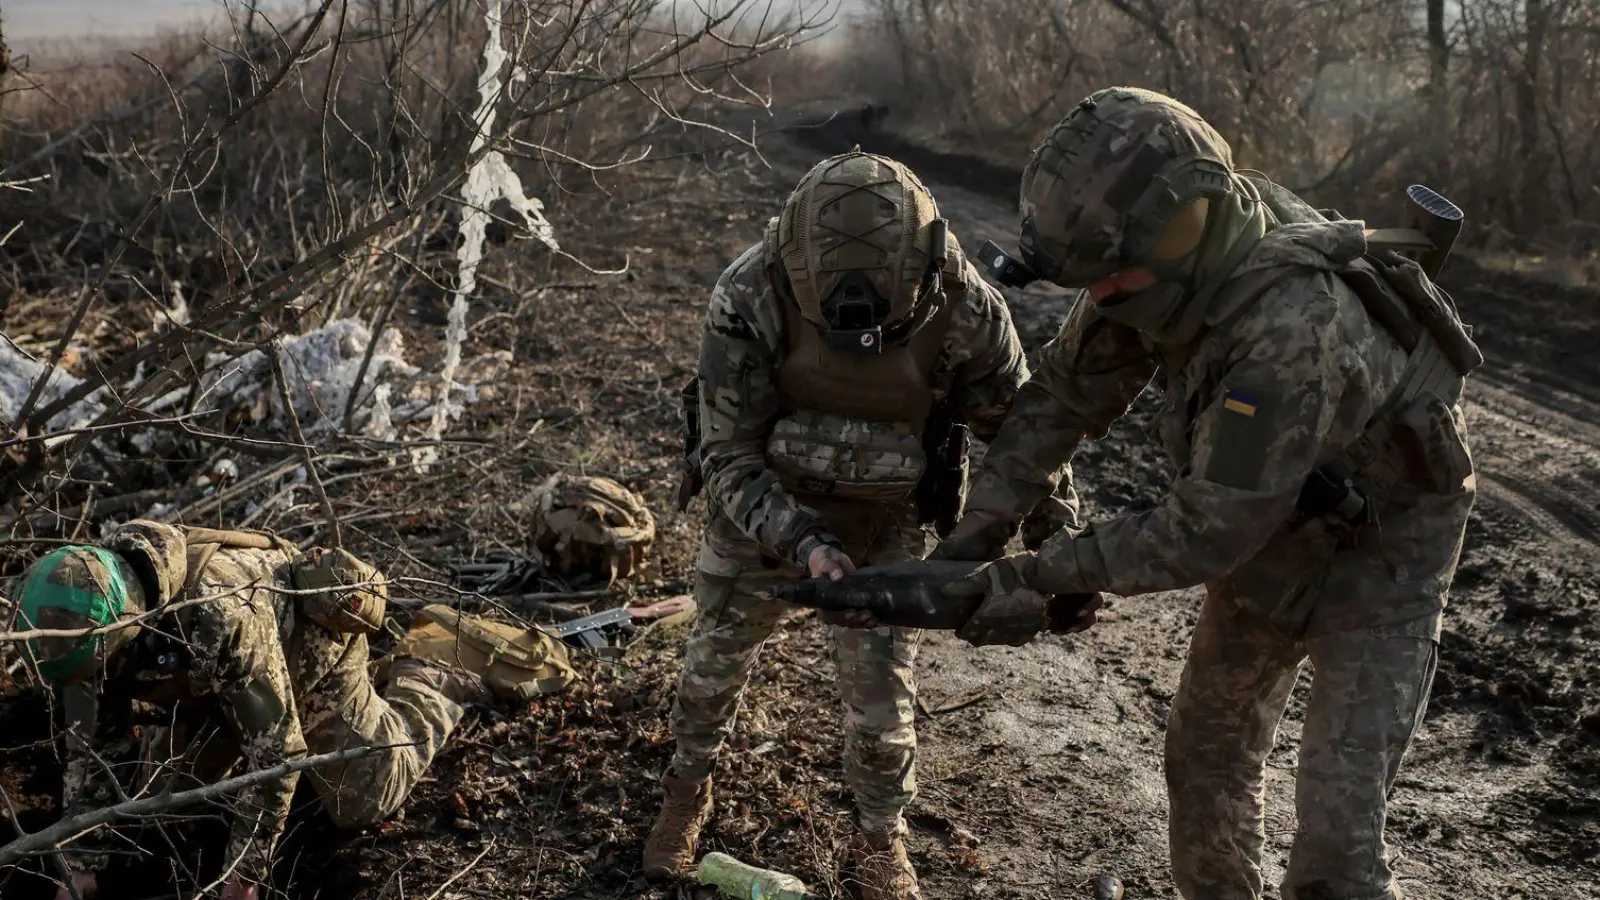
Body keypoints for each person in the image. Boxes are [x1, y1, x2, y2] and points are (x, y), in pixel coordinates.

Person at [934, 87, 1480, 900]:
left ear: (1179, 228)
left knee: (1336, 841)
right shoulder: (1154, 260)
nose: (1101, 299)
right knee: (1207, 760)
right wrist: (975, 534)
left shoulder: (1289, 331)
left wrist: (1032, 574)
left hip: (1385, 554)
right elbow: (1059, 400)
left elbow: (1201, 533)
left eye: (1110, 279)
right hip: (1280, 524)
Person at [644, 148, 1075, 899]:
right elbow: (727, 452)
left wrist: (1057, 541)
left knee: (882, 705)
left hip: (889, 517)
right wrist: (803, 540)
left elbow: (1024, 434)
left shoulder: (964, 306)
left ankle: (880, 838)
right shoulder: (751, 293)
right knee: (710, 671)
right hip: (761, 511)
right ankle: (686, 791)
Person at [13, 521, 574, 900]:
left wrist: (243, 878)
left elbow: (279, 757)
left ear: (129, 631)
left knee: (362, 800)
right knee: (163, 808)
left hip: (306, 656)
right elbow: (93, 741)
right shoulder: (81, 615)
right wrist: (81, 863)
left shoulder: (219, 617)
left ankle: (428, 679)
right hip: (209, 681)